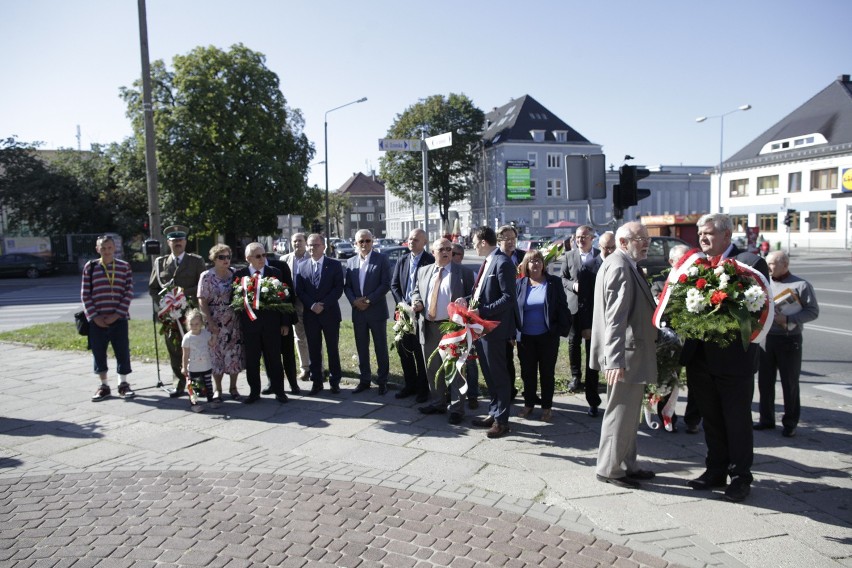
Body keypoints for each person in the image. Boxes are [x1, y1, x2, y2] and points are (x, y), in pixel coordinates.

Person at [681, 213, 769, 503]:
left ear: (727, 236)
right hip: (701, 359)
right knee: (712, 419)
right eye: (700, 234)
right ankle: (715, 469)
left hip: (734, 361)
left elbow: (758, 311)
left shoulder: (749, 263)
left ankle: (740, 476)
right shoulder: (697, 265)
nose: (702, 238)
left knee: (736, 420)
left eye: (708, 233)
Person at [590, 221, 658, 489]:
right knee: (619, 413)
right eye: (640, 238)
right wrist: (614, 359)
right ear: (622, 242)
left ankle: (628, 464)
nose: (646, 243)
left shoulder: (624, 263)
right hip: (625, 358)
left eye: (646, 239)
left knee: (630, 416)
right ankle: (610, 469)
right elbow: (615, 319)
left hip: (632, 354)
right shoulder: (619, 265)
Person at [463, 226, 520, 439]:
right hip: (482, 328)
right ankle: (494, 412)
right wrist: (467, 302)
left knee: (499, 375)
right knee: (489, 374)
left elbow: (508, 298)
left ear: (484, 242)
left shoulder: (503, 262)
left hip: (494, 329)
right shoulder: (488, 261)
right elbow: (482, 294)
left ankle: (502, 421)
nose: (474, 245)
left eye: (475, 242)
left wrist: (482, 311)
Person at [755, 250, 819, 438]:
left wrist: (789, 319)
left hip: (789, 340)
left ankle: (790, 423)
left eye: (773, 264)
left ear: (785, 264)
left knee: (789, 382)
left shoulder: (801, 285)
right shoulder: (764, 284)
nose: (769, 267)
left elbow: (813, 311)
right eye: (767, 263)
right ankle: (766, 419)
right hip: (767, 339)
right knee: (765, 381)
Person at [411, 238, 474, 423]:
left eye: (449, 249)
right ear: (433, 252)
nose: (446, 252)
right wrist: (417, 301)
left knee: (455, 369)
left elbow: (474, 295)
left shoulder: (463, 272)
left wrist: (466, 301)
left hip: (452, 328)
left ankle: (456, 409)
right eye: (442, 249)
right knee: (432, 368)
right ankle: (438, 402)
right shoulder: (423, 271)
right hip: (428, 326)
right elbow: (416, 290)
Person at [149, 225, 207, 398]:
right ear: (168, 242)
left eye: (180, 240)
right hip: (170, 316)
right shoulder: (160, 263)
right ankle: (179, 384)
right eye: (174, 241)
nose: (177, 243)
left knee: (195, 349)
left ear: (185, 241)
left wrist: (182, 296)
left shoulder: (196, 261)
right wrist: (165, 305)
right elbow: (153, 288)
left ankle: (199, 385)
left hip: (191, 314)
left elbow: (202, 286)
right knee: (174, 349)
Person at [515, 250, 571, 422]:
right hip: (525, 338)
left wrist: (561, 329)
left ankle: (547, 407)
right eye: (532, 261)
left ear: (543, 264)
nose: (536, 264)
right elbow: (514, 310)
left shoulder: (553, 282)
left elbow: (563, 306)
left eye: (539, 260)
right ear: (526, 265)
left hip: (548, 337)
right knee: (527, 373)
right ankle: (529, 404)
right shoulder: (520, 283)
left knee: (547, 373)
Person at [650, 244, 700, 434]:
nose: (688, 262)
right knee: (668, 378)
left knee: (697, 380)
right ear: (671, 262)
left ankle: (693, 419)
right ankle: (667, 417)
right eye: (682, 259)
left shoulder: (698, 281)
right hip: (671, 341)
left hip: (694, 339)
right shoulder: (661, 284)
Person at [232, 242, 290, 404]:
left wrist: (285, 323)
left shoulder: (275, 272)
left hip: (272, 325)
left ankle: (280, 391)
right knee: (252, 360)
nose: (262, 259)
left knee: (275, 360)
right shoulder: (240, 274)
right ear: (248, 258)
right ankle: (254, 392)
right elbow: (234, 299)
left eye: (264, 255)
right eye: (258, 256)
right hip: (250, 326)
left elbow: (285, 298)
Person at [83, 235, 136, 401]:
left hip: (118, 319)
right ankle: (104, 386)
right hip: (97, 320)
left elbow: (128, 292)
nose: (106, 251)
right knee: (99, 353)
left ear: (115, 248)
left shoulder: (124, 267)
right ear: (97, 249)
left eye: (109, 248)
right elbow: (85, 294)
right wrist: (94, 316)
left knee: (122, 351)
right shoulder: (90, 267)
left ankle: (123, 384)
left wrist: (117, 314)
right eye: (103, 248)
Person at [560, 225, 602, 416]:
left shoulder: (600, 256)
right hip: (574, 307)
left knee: (592, 348)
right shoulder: (569, 256)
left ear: (592, 238)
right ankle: (576, 376)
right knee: (573, 343)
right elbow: (562, 278)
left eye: (584, 237)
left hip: (593, 310)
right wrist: (572, 285)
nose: (580, 240)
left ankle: (593, 393)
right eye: (577, 237)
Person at [344, 229, 392, 395]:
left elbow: (385, 284)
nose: (364, 244)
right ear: (355, 243)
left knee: (380, 347)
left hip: (376, 311)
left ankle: (382, 381)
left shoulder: (382, 259)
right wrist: (354, 301)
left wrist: (368, 300)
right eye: (360, 241)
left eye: (367, 241)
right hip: (358, 312)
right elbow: (347, 286)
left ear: (373, 241)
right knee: (361, 347)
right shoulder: (350, 262)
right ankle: (364, 380)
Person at [295, 233, 344, 396]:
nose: (311, 248)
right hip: (311, 315)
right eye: (309, 245)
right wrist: (312, 305)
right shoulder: (302, 266)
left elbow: (338, 289)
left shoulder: (335, 265)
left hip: (329, 314)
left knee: (332, 349)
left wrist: (323, 304)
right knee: (314, 350)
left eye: (315, 245)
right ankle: (317, 381)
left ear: (323, 247)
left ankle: (335, 381)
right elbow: (299, 290)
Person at [389, 228, 434, 403]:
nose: (411, 242)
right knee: (404, 349)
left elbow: (432, 287)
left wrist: (417, 305)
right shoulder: (402, 260)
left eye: (415, 240)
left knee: (420, 352)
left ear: (424, 242)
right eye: (409, 239)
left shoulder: (430, 261)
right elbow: (394, 285)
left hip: (421, 313)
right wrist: (402, 304)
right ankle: (410, 385)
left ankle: (423, 389)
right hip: (403, 313)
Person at [197, 244, 244, 401]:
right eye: (221, 257)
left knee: (234, 355)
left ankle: (234, 387)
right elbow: (202, 300)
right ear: (214, 259)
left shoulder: (235, 274)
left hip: (233, 321)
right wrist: (209, 321)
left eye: (228, 257)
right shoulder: (207, 276)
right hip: (215, 321)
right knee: (216, 355)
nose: (226, 260)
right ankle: (218, 389)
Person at [281, 233, 313, 381]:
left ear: (305, 242)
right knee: (299, 336)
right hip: (294, 304)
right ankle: (305, 368)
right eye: (294, 241)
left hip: (310, 302)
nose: (297, 243)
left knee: (314, 336)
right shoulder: (284, 260)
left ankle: (317, 367)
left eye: (300, 241)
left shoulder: (312, 258)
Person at [452, 242, 480, 409]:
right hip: (447, 324)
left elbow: (476, 296)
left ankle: (473, 395)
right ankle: (453, 392)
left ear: (461, 256)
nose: (449, 254)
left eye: (454, 252)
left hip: (465, 324)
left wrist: (465, 302)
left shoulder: (468, 273)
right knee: (451, 359)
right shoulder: (441, 271)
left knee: (469, 360)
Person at [497, 225, 522, 400]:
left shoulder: (522, 257)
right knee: (505, 357)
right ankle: (509, 391)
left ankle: (529, 392)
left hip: (522, 311)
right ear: (499, 240)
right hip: (503, 314)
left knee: (526, 356)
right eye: (507, 238)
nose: (511, 241)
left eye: (513, 238)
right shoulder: (495, 258)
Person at [181, 309, 216, 412]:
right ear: (188, 324)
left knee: (208, 384)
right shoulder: (187, 338)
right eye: (191, 324)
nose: (194, 326)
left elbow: (211, 344)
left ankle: (211, 400)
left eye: (197, 324)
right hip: (194, 367)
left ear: (201, 323)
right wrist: (184, 367)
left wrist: (215, 335)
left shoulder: (205, 334)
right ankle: (194, 404)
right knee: (195, 387)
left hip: (206, 365)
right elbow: (185, 354)